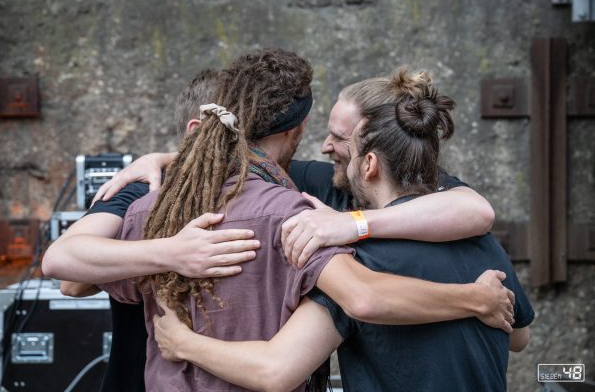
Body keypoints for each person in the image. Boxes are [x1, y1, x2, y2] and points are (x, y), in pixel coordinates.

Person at [97, 49, 514, 391]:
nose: (325, 146)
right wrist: (475, 301)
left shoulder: (359, 249)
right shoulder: (475, 244)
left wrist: (354, 225)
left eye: (339, 138)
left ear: (368, 160)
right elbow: (518, 334)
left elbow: (280, 366)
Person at [42, 70, 260, 392]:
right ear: (198, 130)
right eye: (242, 135)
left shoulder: (275, 188)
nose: (252, 151)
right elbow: (69, 280)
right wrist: (173, 253)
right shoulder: (142, 189)